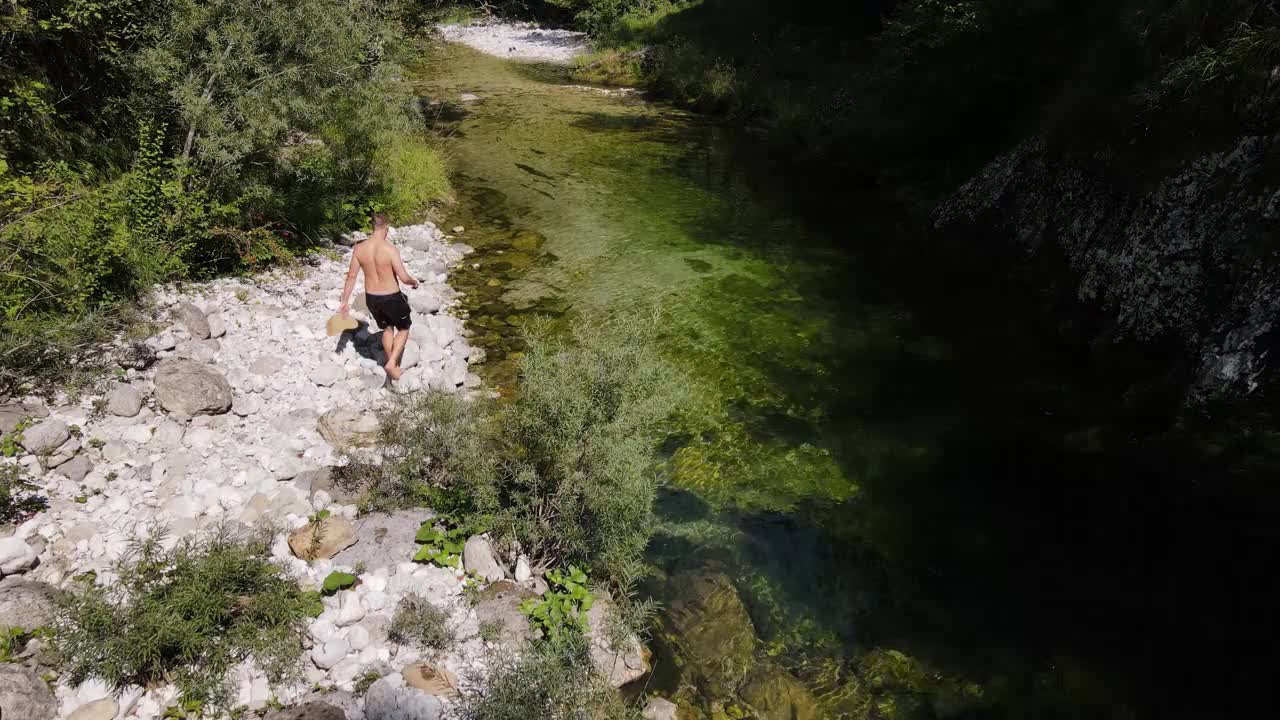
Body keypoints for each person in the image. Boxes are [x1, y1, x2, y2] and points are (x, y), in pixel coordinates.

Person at [339, 212, 419, 382]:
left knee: (387, 329)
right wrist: (414, 282)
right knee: (404, 328)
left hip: (372, 297)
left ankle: (393, 368)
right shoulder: (390, 249)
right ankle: (391, 363)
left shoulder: (360, 248)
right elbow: (403, 277)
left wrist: (345, 301)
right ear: (387, 227)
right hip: (391, 297)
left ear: (372, 227)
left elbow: (351, 276)